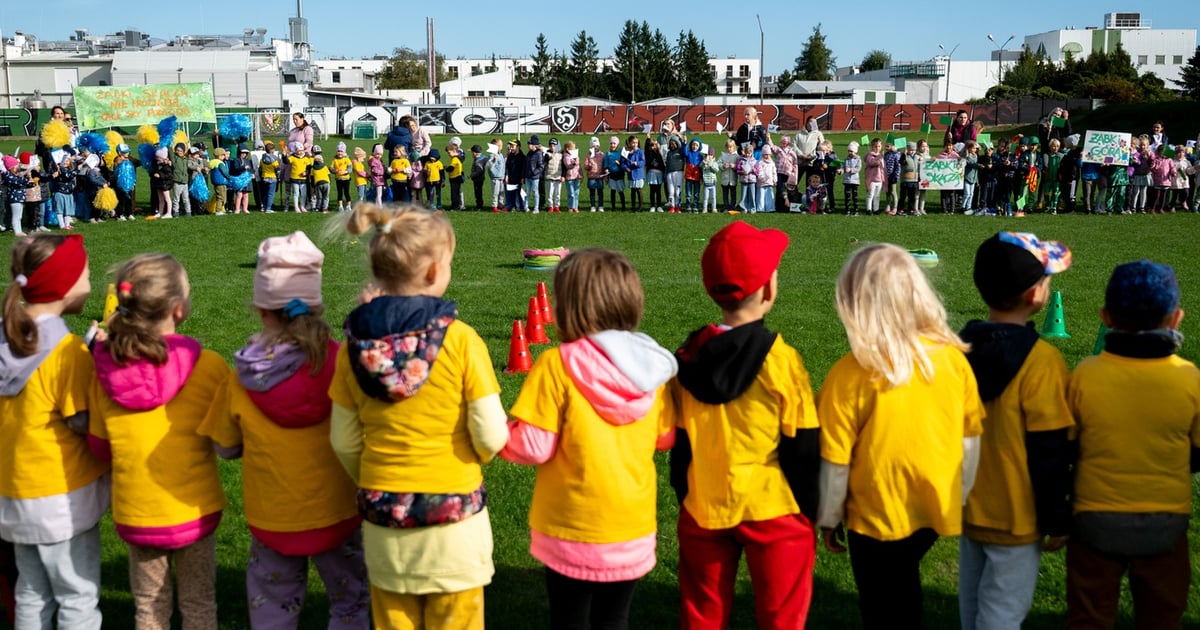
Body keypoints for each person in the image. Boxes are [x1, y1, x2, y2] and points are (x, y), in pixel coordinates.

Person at [329, 206, 508, 630]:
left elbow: (343, 440)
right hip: (455, 521)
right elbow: (490, 433)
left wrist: (373, 476)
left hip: (384, 523)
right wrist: (473, 458)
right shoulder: (463, 341)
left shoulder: (352, 347)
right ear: (432, 271)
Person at [199, 231, 370, 629]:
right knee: (352, 604)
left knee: (272, 611)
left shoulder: (242, 377)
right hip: (339, 513)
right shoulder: (343, 362)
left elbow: (225, 446)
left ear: (261, 309)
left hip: (273, 518)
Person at [500, 248, 677, 630]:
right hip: (630, 526)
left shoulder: (556, 364)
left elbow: (533, 445)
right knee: (615, 619)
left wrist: (495, 426)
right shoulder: (651, 365)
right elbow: (664, 436)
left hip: (570, 528)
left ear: (568, 306)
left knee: (569, 621)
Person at [817, 243, 984, 630]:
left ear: (852, 303)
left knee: (881, 602)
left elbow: (835, 459)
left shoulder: (849, 375)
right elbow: (970, 436)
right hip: (934, 504)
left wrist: (828, 517)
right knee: (902, 584)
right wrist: (961, 494)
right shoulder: (952, 359)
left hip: (875, 511)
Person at [670, 221, 820, 629]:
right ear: (770, 290)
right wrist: (815, 511)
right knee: (782, 617)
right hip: (775, 509)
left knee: (702, 615)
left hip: (704, 503)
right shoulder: (781, 360)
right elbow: (803, 445)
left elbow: (680, 444)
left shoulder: (685, 356)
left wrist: (687, 494)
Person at [89, 253, 227, 629]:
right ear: (179, 310)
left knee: (149, 607)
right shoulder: (210, 367)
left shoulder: (102, 372)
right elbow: (227, 438)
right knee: (200, 603)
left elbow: (99, 447)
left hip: (137, 510)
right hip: (194, 509)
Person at [1067, 260, 1199, 630]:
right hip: (1166, 520)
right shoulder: (1190, 380)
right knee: (1162, 615)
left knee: (1089, 617)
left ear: (1105, 316)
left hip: (1094, 518)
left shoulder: (1085, 376)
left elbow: (1069, 444)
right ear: (1176, 318)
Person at [958, 232, 1075, 630]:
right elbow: (1050, 447)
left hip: (967, 504)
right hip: (1018, 515)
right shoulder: (1044, 363)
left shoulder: (956, 349)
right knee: (1002, 613)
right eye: (1045, 279)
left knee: (972, 605)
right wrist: (1057, 515)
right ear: (1034, 296)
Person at [0, 234, 107, 628]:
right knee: (77, 596)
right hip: (61, 499)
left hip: (12, 492)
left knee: (31, 592)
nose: (91, 283)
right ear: (66, 284)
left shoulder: (6, 333)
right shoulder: (68, 354)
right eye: (87, 274)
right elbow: (81, 422)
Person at [794, 116, 824, 180]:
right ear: (807, 123)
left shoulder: (818, 134)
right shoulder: (798, 134)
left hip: (812, 162)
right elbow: (794, 146)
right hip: (799, 162)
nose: (813, 124)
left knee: (811, 183)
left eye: (814, 123)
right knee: (794, 181)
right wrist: (801, 155)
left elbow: (821, 148)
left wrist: (810, 156)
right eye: (811, 122)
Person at [168, 142, 192, 218]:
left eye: (181, 151)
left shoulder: (185, 159)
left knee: (186, 199)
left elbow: (189, 152)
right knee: (176, 198)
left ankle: (188, 212)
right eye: (177, 150)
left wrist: (188, 144)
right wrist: (168, 142)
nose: (179, 152)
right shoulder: (174, 157)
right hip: (177, 181)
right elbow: (170, 152)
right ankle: (175, 212)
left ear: (183, 151)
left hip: (185, 182)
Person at [286, 144, 312, 213]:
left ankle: (302, 206)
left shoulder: (306, 158)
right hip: (294, 178)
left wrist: (306, 173)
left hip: (303, 179)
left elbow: (309, 168)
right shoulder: (292, 157)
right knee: (296, 193)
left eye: (301, 150)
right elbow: (286, 161)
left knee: (303, 194)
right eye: (298, 151)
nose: (300, 152)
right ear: (295, 151)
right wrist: (284, 155)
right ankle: (296, 207)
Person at [604, 136, 627, 212]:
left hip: (619, 174)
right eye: (611, 143)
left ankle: (623, 206)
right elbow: (606, 164)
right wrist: (606, 169)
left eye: (614, 143)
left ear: (617, 144)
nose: (612, 145)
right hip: (612, 175)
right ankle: (613, 207)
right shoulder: (608, 153)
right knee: (612, 191)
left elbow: (624, 161)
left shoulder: (621, 151)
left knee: (620, 191)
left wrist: (620, 163)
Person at [150, 147, 174, 220]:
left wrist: (160, 176)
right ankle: (160, 212)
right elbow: (152, 170)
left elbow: (169, 175)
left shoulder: (167, 165)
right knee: (160, 199)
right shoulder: (156, 163)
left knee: (167, 198)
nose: (157, 158)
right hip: (158, 183)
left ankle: (169, 213)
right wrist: (154, 173)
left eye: (159, 157)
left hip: (165, 184)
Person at [663, 136, 685, 213]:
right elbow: (667, 164)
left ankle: (678, 206)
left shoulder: (680, 151)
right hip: (670, 173)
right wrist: (665, 174)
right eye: (671, 144)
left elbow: (685, 151)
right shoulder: (669, 153)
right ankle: (672, 206)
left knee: (678, 191)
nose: (672, 145)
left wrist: (684, 142)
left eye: (674, 144)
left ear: (677, 144)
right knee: (671, 191)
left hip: (678, 172)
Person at [863, 139, 885, 215]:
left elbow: (883, 167)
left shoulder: (881, 155)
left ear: (881, 146)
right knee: (870, 194)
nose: (877, 148)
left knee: (877, 195)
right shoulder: (870, 155)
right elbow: (871, 163)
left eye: (879, 146)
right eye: (875, 146)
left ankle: (876, 209)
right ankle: (868, 209)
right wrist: (879, 159)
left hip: (879, 179)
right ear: (872, 147)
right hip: (871, 179)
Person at [523, 136, 544, 213]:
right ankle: (526, 206)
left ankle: (536, 208)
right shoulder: (528, 153)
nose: (528, 145)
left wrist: (534, 172)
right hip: (528, 177)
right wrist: (524, 175)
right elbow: (525, 166)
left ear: (534, 145)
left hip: (535, 177)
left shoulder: (538, 154)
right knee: (527, 192)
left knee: (535, 192)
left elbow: (541, 166)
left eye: (530, 144)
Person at [331, 142, 354, 212]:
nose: (340, 153)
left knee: (347, 192)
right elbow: (331, 168)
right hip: (338, 179)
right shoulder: (334, 159)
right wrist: (335, 170)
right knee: (339, 192)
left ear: (344, 152)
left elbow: (350, 167)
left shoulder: (346, 159)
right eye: (338, 151)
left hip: (346, 179)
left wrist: (345, 172)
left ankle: (348, 206)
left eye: (341, 151)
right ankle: (340, 206)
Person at [231, 145, 253, 214]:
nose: (244, 154)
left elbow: (250, 169)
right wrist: (243, 167)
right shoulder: (236, 160)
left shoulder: (248, 161)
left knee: (246, 194)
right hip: (239, 179)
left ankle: (245, 209)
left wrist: (252, 173)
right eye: (242, 153)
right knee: (239, 194)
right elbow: (236, 168)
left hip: (247, 180)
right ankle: (237, 209)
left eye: (245, 153)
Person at [585, 137, 606, 212]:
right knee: (592, 192)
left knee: (600, 192)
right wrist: (589, 166)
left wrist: (605, 174)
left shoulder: (602, 155)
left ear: (599, 146)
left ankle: (600, 206)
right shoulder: (588, 155)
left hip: (600, 176)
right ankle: (593, 206)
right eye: (593, 146)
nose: (595, 147)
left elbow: (604, 165)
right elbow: (586, 166)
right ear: (591, 147)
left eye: (597, 146)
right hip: (591, 177)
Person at [504, 140, 526, 212]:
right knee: (511, 193)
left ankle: (519, 206)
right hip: (511, 178)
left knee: (518, 193)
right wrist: (507, 175)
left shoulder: (522, 157)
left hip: (518, 178)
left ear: (518, 147)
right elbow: (507, 166)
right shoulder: (510, 156)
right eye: (511, 146)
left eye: (513, 146)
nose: (511, 148)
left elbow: (523, 168)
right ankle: (512, 206)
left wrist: (522, 177)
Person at [625, 136, 645, 212]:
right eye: (633, 143)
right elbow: (624, 162)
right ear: (630, 143)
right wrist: (625, 168)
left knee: (638, 190)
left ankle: (640, 207)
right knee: (633, 190)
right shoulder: (627, 152)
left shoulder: (640, 152)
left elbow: (643, 162)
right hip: (631, 173)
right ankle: (633, 206)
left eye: (636, 143)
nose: (635, 144)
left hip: (638, 174)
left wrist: (637, 163)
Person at [644, 137, 664, 213]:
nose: (653, 146)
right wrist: (648, 139)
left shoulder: (659, 153)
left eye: (655, 145)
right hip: (652, 173)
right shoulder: (648, 153)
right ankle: (652, 206)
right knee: (652, 191)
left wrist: (663, 172)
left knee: (658, 191)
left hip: (659, 174)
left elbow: (662, 164)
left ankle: (659, 206)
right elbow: (646, 148)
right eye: (651, 145)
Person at [736, 143, 757, 213]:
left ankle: (752, 208)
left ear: (752, 153)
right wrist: (742, 172)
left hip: (752, 180)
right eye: (746, 153)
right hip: (744, 180)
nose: (747, 155)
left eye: (749, 153)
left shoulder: (754, 161)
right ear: (744, 152)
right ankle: (743, 208)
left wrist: (754, 171)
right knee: (743, 196)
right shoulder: (741, 160)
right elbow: (737, 170)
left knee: (752, 195)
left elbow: (758, 172)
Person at [308, 148, 331, 213]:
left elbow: (312, 178)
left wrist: (313, 186)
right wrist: (329, 183)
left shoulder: (313, 168)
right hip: (326, 183)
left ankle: (318, 207)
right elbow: (328, 175)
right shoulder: (325, 166)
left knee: (319, 197)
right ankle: (325, 208)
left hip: (318, 184)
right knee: (326, 197)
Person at [209, 148, 231, 216]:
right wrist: (229, 177)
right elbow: (224, 172)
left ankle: (220, 210)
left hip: (217, 182)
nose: (224, 156)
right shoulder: (220, 163)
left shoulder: (213, 162)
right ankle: (218, 210)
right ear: (219, 155)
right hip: (221, 182)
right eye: (223, 155)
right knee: (221, 197)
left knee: (221, 197)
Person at [543, 139, 562, 213]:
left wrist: (562, 176)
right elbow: (544, 162)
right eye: (551, 145)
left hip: (558, 176)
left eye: (554, 146)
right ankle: (550, 206)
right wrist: (548, 158)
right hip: (549, 176)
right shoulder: (547, 154)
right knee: (550, 193)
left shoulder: (560, 155)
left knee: (558, 193)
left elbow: (563, 166)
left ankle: (557, 206)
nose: (552, 147)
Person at [842, 141, 862, 216]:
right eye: (849, 151)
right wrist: (840, 171)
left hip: (855, 181)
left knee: (855, 196)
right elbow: (843, 167)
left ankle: (856, 210)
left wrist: (851, 170)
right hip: (847, 180)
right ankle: (847, 210)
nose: (850, 152)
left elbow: (858, 168)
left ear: (855, 151)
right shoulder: (846, 159)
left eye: (851, 151)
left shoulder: (858, 159)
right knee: (847, 196)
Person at [486, 142, 506, 212]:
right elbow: (488, 165)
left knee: (501, 192)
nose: (501, 147)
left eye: (501, 146)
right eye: (499, 146)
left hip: (501, 177)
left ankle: (501, 205)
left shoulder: (500, 155)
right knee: (495, 193)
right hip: (495, 178)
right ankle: (494, 206)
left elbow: (503, 165)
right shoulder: (492, 155)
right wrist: (494, 160)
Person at [561, 141, 581, 213]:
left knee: (576, 193)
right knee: (571, 193)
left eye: (575, 148)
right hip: (569, 177)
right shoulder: (566, 156)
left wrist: (581, 174)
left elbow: (579, 166)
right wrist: (574, 163)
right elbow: (567, 165)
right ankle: (570, 207)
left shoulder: (576, 155)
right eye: (573, 148)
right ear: (567, 149)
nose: (574, 149)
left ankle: (575, 207)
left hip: (576, 176)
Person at [755, 149, 777, 214]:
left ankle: (770, 208)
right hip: (761, 183)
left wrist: (775, 180)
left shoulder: (772, 163)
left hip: (770, 182)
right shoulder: (759, 162)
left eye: (768, 155)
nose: (767, 156)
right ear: (763, 155)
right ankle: (760, 208)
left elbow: (774, 172)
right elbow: (759, 172)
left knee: (769, 196)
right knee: (761, 196)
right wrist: (763, 178)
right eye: (765, 155)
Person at [445, 143, 465, 211]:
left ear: (454, 151)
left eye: (449, 152)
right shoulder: (458, 158)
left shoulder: (454, 159)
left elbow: (451, 168)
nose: (448, 154)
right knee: (456, 192)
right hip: (457, 177)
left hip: (455, 178)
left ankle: (455, 207)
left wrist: (445, 168)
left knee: (454, 194)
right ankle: (458, 205)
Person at [700, 148, 720, 213]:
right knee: (705, 198)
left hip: (712, 183)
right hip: (706, 183)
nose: (709, 156)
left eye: (711, 155)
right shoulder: (704, 162)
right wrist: (704, 161)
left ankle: (714, 208)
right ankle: (705, 209)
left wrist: (711, 166)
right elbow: (700, 166)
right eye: (708, 155)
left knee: (713, 197)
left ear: (713, 156)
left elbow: (717, 170)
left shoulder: (714, 162)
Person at [468, 144, 486, 211]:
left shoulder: (478, 161)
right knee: (478, 192)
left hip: (478, 179)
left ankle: (479, 206)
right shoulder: (483, 158)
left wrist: (471, 175)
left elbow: (478, 171)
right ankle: (479, 205)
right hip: (480, 179)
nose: (471, 154)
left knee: (478, 193)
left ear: (475, 153)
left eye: (471, 152)